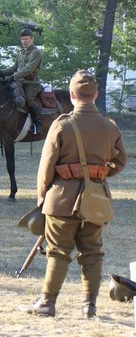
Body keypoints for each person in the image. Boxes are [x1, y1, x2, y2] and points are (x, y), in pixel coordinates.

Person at [20, 70, 127, 318]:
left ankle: (47, 304)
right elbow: (120, 162)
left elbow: (46, 167)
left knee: (58, 251)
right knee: (92, 252)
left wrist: (42, 198)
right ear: (96, 95)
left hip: (61, 199)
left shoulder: (62, 124)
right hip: (96, 200)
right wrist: (98, 175)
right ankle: (89, 306)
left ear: (72, 95)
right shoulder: (109, 127)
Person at [0, 28, 43, 134]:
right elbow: (13, 68)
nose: (24, 41)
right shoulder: (20, 52)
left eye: (26, 39)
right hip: (19, 81)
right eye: (22, 39)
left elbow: (29, 69)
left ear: (32, 39)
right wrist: (0, 72)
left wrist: (13, 76)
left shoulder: (36, 52)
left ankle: (38, 124)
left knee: (28, 100)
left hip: (31, 83)